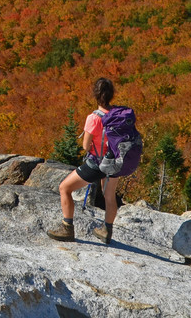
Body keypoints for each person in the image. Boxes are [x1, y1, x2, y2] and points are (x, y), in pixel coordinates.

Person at [46, 77, 136, 244]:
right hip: (115, 162)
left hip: (97, 163)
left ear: (95, 94)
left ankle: (67, 228)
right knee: (109, 196)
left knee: (64, 188)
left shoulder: (94, 118)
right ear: (111, 95)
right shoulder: (118, 115)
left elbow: (86, 146)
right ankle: (106, 231)